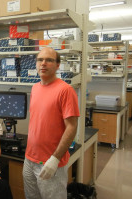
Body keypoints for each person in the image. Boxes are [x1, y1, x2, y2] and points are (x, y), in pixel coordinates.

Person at [23, 47, 80, 199]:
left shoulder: (65, 90)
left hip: (50, 162)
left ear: (57, 65)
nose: (43, 63)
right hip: (29, 159)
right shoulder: (35, 88)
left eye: (49, 60)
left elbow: (72, 127)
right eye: (40, 60)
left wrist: (54, 159)